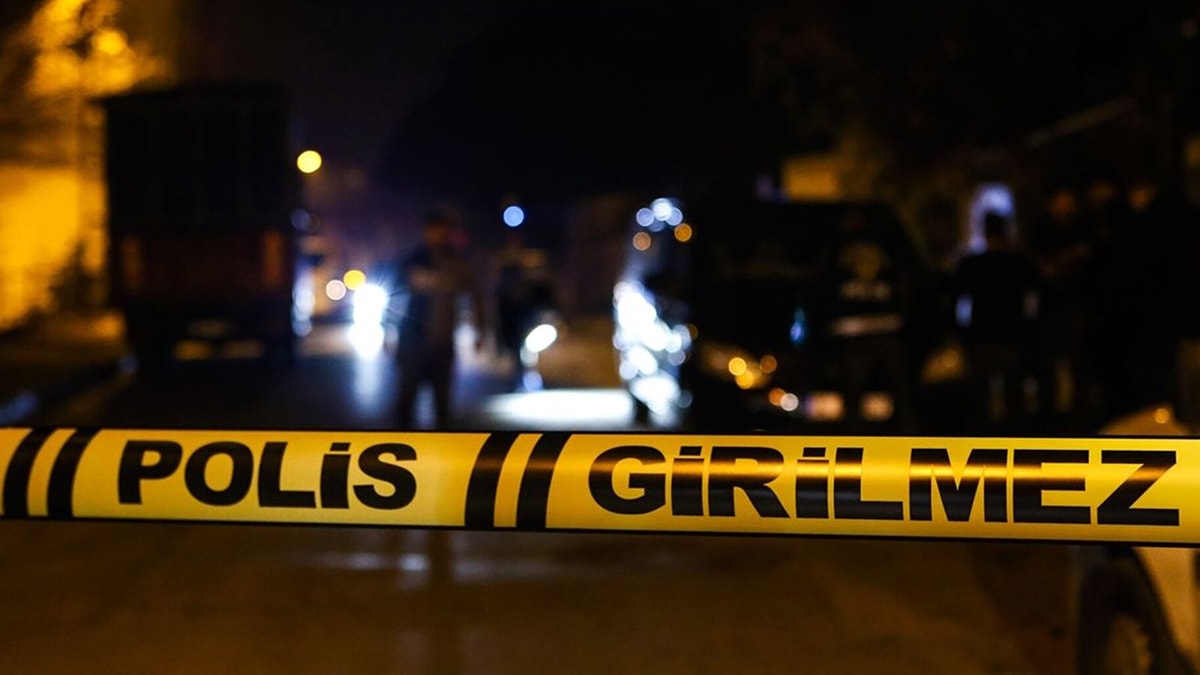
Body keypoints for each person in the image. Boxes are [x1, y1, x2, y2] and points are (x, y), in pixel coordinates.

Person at [817, 207, 919, 433]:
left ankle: (905, 442)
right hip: (856, 330)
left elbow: (906, 281)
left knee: (897, 393)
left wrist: (902, 315)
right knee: (858, 394)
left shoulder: (884, 245)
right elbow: (823, 286)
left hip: (880, 328)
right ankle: (858, 443)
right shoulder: (838, 247)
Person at [393, 209, 487, 429]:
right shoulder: (413, 260)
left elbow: (476, 295)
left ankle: (439, 446)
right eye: (435, 230)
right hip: (413, 341)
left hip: (442, 341)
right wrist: (388, 331)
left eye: (443, 230)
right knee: (407, 400)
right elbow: (394, 296)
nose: (439, 235)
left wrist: (480, 330)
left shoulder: (456, 262)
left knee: (442, 403)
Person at [950, 210, 1043, 432]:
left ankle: (984, 440)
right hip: (1012, 336)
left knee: (982, 397)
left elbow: (954, 298)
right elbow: (1037, 295)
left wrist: (961, 332)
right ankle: (1015, 438)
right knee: (1013, 397)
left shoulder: (973, 264)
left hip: (983, 337)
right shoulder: (1018, 263)